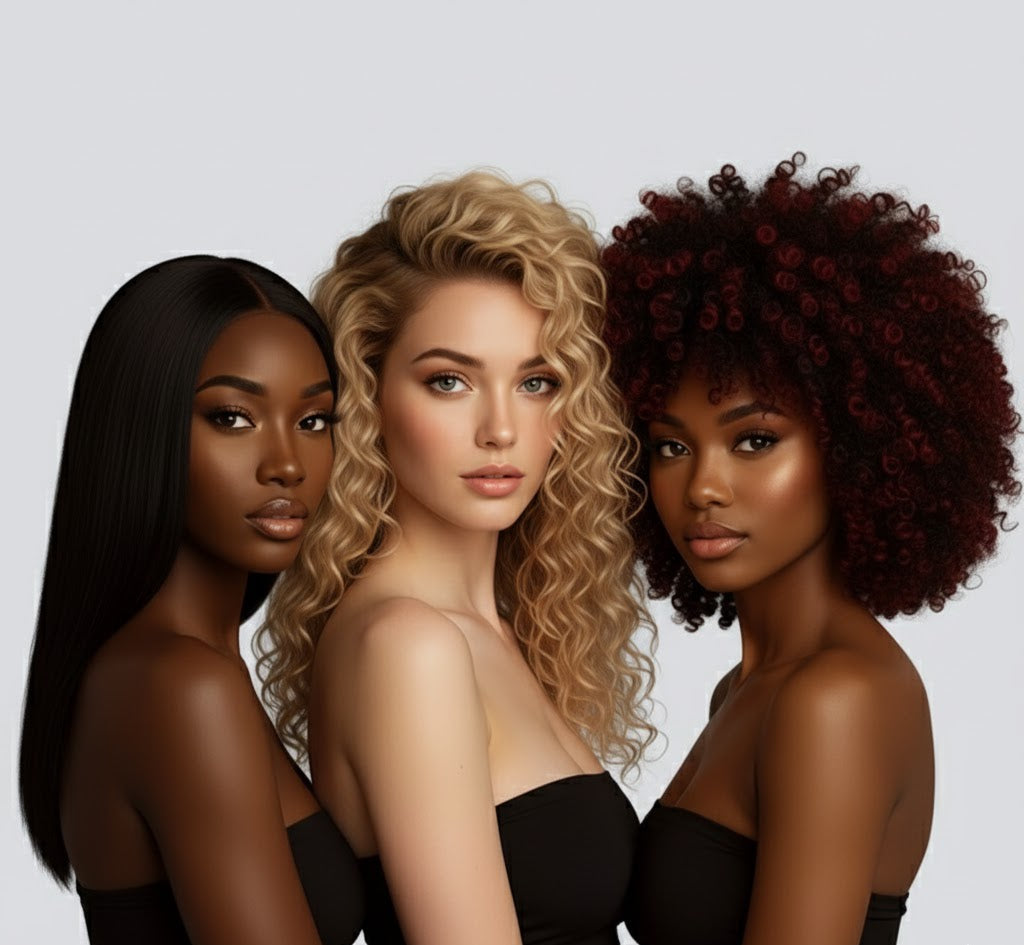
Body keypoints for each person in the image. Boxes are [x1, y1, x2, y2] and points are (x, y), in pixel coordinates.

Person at [601, 154, 1020, 945]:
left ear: (857, 446)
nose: (703, 488)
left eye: (754, 440)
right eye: (668, 447)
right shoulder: (750, 685)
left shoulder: (835, 699)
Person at [258, 171, 655, 945]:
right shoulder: (408, 645)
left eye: (537, 381)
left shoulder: (500, 629)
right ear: (367, 395)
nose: (501, 428)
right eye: (450, 380)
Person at [19, 255, 364, 945]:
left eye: (315, 420)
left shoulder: (182, 666)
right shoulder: (180, 685)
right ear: (138, 426)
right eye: (233, 417)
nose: (287, 463)